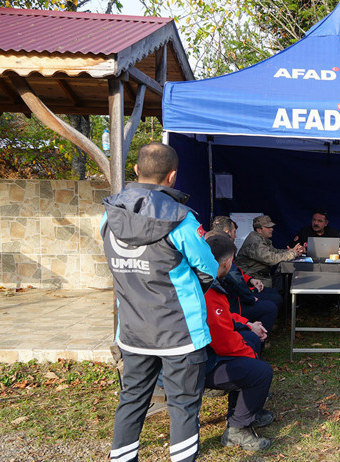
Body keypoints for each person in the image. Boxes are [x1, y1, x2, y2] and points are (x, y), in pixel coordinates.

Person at [102, 142, 218, 462]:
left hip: (133, 330)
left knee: (132, 399)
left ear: (137, 171)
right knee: (183, 407)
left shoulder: (109, 216)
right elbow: (208, 267)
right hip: (179, 332)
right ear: (172, 176)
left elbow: (116, 266)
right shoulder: (181, 220)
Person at [203, 234, 275, 452]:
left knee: (252, 340)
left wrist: (248, 324)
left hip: (200, 354)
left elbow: (223, 316)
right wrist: (249, 354)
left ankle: (247, 410)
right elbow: (224, 342)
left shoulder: (202, 277)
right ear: (227, 262)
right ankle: (237, 430)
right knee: (260, 371)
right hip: (198, 363)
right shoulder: (209, 289)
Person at [209, 218, 280, 329]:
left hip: (235, 295)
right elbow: (233, 277)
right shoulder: (223, 248)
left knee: (274, 294)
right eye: (234, 232)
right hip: (231, 302)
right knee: (271, 305)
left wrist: (250, 279)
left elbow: (236, 272)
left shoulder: (209, 243)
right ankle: (258, 335)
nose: (235, 236)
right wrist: (250, 297)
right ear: (228, 232)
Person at [236, 215, 302, 306]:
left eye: (271, 227)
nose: (271, 229)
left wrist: (290, 251)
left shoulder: (261, 239)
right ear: (259, 230)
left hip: (260, 277)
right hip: (252, 279)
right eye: (268, 227)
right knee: (277, 297)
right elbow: (271, 258)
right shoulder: (255, 241)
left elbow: (274, 252)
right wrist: (292, 254)